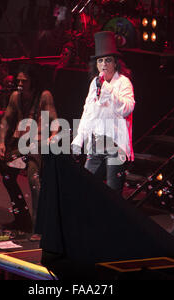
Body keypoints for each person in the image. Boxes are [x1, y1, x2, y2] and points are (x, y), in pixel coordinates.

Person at [0, 64, 58, 235]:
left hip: (36, 145)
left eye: (25, 81)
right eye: (19, 80)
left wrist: (53, 135)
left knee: (34, 182)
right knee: (7, 176)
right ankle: (22, 219)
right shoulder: (15, 96)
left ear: (33, 81)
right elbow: (6, 120)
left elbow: (54, 119)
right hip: (20, 144)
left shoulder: (44, 96)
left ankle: (38, 227)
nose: (21, 84)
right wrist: (1, 143)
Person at [71, 31, 135, 195]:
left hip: (115, 144)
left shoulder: (123, 82)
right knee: (85, 186)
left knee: (113, 191)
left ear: (115, 63)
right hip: (96, 143)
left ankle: (113, 219)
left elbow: (127, 108)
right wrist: (80, 138)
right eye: (100, 61)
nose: (104, 64)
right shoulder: (95, 83)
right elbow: (88, 112)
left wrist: (107, 89)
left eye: (108, 60)